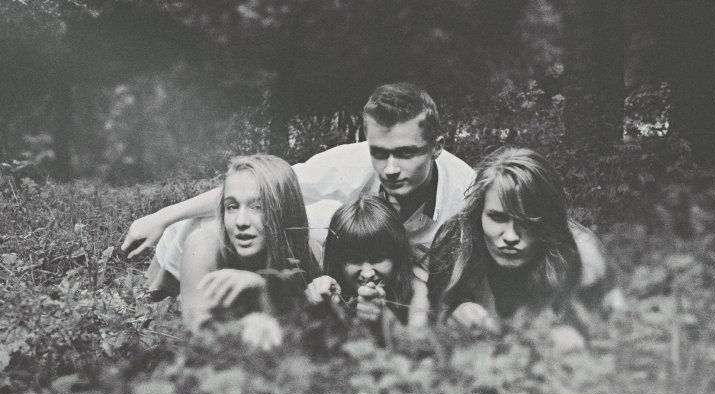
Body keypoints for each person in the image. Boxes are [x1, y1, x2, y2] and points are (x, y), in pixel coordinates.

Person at [121, 82, 476, 326]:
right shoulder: (349, 163)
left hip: (404, 282)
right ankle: (150, 300)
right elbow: (261, 188)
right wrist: (163, 216)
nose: (391, 169)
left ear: (437, 148)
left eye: (406, 153)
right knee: (201, 224)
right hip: (344, 267)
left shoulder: (464, 193)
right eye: (379, 153)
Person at [427, 147, 618, 347]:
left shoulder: (581, 255)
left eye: (526, 221)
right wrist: (455, 309)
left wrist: (568, 332)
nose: (510, 237)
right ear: (479, 213)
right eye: (497, 217)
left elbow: (606, 334)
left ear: (549, 221)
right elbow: (433, 318)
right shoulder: (454, 242)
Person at [178, 155, 319, 335]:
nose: (241, 221)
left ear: (284, 210)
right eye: (232, 207)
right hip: (172, 254)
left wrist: (262, 291)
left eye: (258, 207)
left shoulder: (308, 250)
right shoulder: (203, 247)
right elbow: (202, 340)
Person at [305, 196, 415, 346]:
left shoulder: (418, 296)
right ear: (338, 260)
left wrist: (384, 321)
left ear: (397, 255)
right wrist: (314, 311)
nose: (367, 274)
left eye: (378, 259)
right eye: (354, 260)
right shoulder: (327, 291)